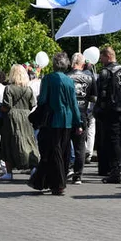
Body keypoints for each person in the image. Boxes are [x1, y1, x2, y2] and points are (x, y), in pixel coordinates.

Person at [29, 52, 81, 195]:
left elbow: (43, 100)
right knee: (62, 151)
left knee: (54, 151)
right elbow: (73, 103)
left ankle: (58, 183)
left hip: (53, 119)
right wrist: (78, 122)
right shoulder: (69, 81)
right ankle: (54, 181)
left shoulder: (48, 79)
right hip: (68, 120)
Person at [95, 46, 121, 184]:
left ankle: (116, 171)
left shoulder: (107, 72)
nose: (101, 60)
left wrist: (99, 110)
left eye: (102, 57)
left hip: (111, 111)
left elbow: (101, 93)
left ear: (108, 56)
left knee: (113, 141)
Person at [0, 65, 40, 181]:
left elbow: (7, 106)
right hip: (26, 116)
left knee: (8, 142)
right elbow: (33, 104)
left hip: (12, 117)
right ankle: (33, 167)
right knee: (29, 141)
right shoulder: (28, 89)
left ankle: (9, 172)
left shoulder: (9, 88)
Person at [68, 53, 96, 183]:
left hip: (68, 115)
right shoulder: (89, 78)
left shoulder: (66, 77)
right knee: (80, 146)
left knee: (65, 144)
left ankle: (67, 169)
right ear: (82, 63)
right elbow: (93, 98)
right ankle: (78, 176)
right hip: (82, 113)